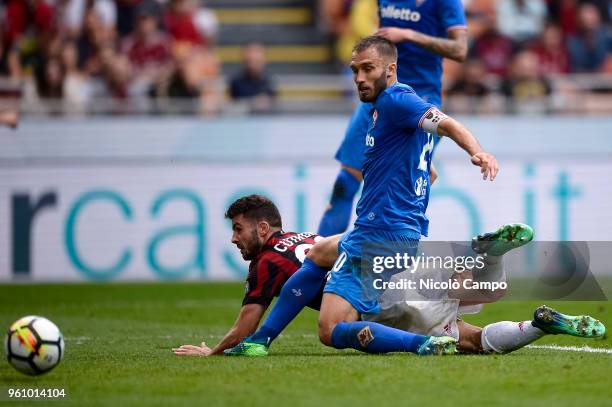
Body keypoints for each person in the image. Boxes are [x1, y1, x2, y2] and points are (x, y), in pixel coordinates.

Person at [173, 194, 456, 356]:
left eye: (237, 229)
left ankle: (423, 345)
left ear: (261, 228)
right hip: (393, 276)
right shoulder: (303, 238)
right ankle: (485, 259)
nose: (234, 238)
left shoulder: (267, 262)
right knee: (464, 338)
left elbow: (244, 328)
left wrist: (213, 352)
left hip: (369, 300)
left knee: (331, 332)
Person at [318, 0, 469, 237]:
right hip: (378, 94)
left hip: (418, 98)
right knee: (345, 181)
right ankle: (316, 262)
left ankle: (392, 254)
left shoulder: (446, 2)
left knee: (401, 186)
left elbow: (460, 50)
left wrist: (409, 35)